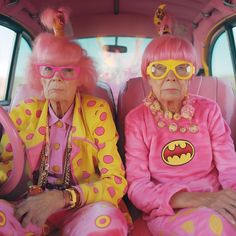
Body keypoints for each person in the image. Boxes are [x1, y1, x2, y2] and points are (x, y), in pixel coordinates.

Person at [0, 8, 129, 236]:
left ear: (81, 77)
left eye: (67, 70)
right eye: (48, 69)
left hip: (83, 208)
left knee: (108, 221)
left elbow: (116, 181)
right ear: (37, 75)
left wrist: (63, 198)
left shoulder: (97, 111)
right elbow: (5, 166)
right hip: (28, 205)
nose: (56, 77)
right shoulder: (23, 111)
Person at [125, 34, 236, 235]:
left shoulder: (209, 110)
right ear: (147, 76)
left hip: (217, 197)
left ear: (191, 75)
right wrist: (202, 200)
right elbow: (138, 187)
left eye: (181, 68)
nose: (170, 76)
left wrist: (230, 200)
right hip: (169, 208)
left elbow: (230, 168)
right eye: (158, 69)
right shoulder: (137, 120)